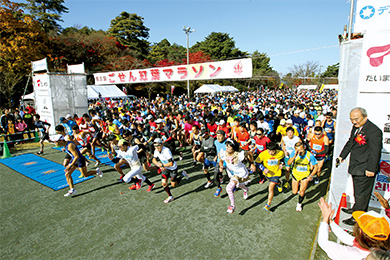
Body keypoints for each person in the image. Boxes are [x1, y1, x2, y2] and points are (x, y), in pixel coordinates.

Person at [337, 107, 383, 225]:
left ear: (365, 117)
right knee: (357, 191)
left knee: (362, 194)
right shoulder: (356, 128)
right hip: (356, 166)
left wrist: (371, 169)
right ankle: (356, 209)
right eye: (352, 119)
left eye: (356, 119)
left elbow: (375, 151)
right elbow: (350, 142)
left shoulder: (374, 131)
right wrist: (342, 156)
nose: (354, 122)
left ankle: (358, 216)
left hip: (365, 168)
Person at [317, 197, 390, 260]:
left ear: (360, 232)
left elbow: (323, 242)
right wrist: (330, 222)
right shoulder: (383, 253)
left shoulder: (351, 254)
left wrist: (325, 219)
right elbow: (349, 239)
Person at [219, 138, 255, 214]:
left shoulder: (240, 154)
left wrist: (252, 163)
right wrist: (221, 166)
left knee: (228, 188)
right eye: (226, 146)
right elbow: (221, 160)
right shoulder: (223, 153)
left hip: (240, 173)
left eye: (229, 146)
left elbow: (249, 153)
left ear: (234, 147)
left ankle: (232, 206)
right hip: (231, 173)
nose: (227, 148)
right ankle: (246, 189)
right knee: (240, 186)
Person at [152, 138, 188, 203]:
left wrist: (162, 166)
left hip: (172, 168)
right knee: (164, 183)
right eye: (155, 146)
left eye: (158, 145)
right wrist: (158, 164)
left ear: (162, 144)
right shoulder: (156, 150)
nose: (156, 147)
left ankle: (182, 175)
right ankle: (170, 196)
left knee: (174, 185)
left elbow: (171, 163)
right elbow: (153, 160)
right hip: (165, 168)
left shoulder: (166, 151)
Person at [287, 142, 318, 211]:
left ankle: (299, 204)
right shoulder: (294, 153)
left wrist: (311, 175)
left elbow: (316, 167)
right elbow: (288, 163)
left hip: (305, 176)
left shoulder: (310, 155)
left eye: (301, 149)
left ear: (304, 148)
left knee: (302, 192)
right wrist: (294, 156)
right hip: (295, 174)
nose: (300, 151)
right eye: (297, 150)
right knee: (294, 192)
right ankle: (299, 185)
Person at [255, 142, 285, 211]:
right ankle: (279, 183)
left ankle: (268, 204)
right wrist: (263, 168)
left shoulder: (280, 153)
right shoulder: (263, 154)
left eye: (273, 151)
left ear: (276, 150)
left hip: (276, 173)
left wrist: (282, 163)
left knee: (270, 188)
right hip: (268, 174)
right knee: (272, 182)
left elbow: (283, 158)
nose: (271, 153)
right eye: (269, 151)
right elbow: (257, 162)